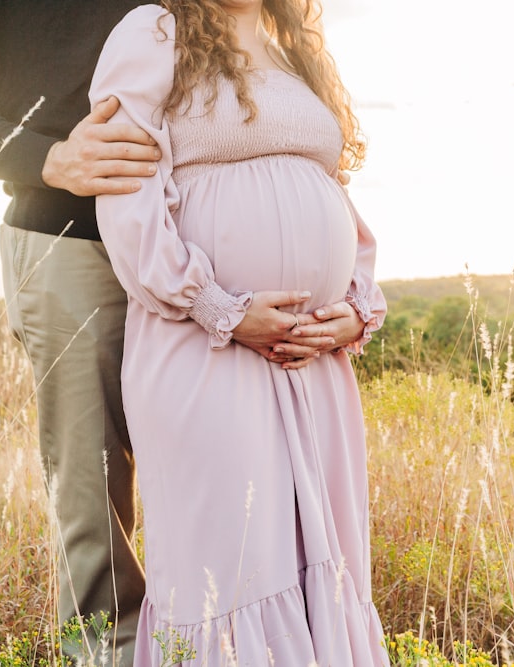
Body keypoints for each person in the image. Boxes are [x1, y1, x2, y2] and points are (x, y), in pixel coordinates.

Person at [0, 1, 368, 662]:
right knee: (95, 492)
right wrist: (51, 158)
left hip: (203, 259)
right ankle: (106, 654)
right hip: (70, 242)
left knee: (232, 498)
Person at [90, 0, 390, 664]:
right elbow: (125, 195)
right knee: (227, 571)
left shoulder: (294, 48)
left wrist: (355, 307)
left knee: (325, 563)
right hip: (202, 346)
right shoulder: (153, 35)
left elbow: (332, 193)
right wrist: (219, 306)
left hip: (314, 366)